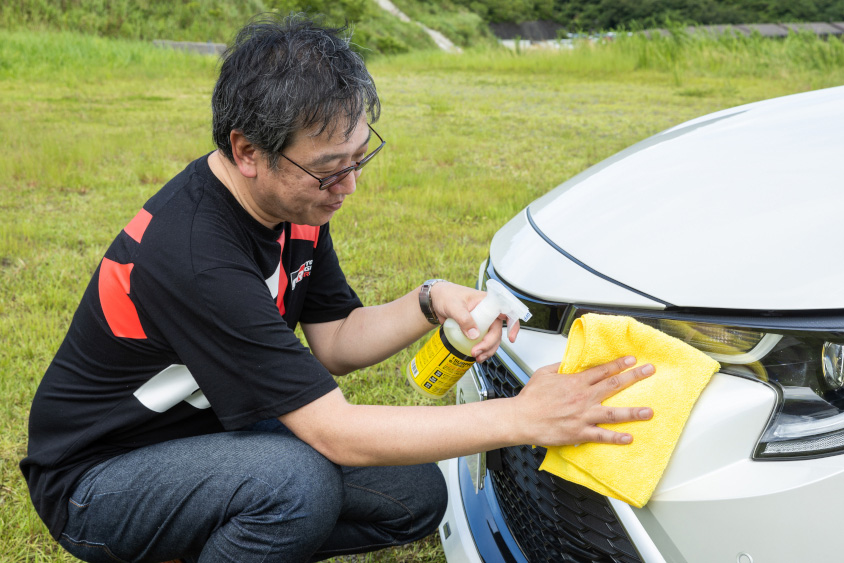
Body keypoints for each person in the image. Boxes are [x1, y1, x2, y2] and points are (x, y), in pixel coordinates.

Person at [20, 12, 655, 563]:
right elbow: (335, 432)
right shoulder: (196, 257)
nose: (348, 188)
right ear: (247, 151)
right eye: (328, 170)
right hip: (96, 480)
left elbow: (335, 340)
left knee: (414, 496)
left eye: (357, 158)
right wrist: (522, 417)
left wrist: (431, 301)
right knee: (294, 483)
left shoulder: (290, 208)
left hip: (204, 443)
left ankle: (205, 536)